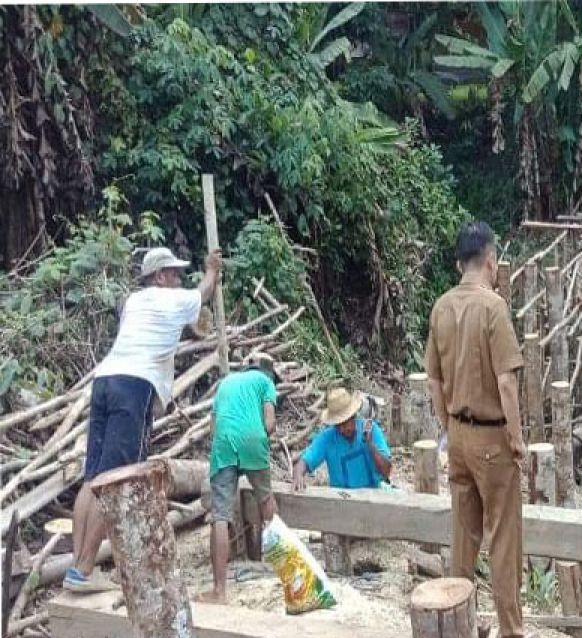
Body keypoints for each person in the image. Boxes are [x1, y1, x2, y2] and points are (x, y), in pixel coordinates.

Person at [65, 246, 221, 593]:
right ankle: (85, 569)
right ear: (160, 276)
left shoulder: (133, 302)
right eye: (175, 273)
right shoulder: (172, 299)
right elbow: (204, 293)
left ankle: (78, 566)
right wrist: (211, 268)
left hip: (105, 381)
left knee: (94, 477)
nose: (179, 279)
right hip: (133, 386)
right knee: (117, 482)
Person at [425, 220, 542, 638]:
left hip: (457, 433)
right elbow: (506, 383)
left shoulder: (439, 308)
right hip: (493, 435)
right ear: (491, 260)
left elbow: (434, 381)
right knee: (505, 539)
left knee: (463, 534)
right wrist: (516, 439)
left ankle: (458, 624)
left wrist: (449, 426)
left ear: (460, 264)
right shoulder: (493, 308)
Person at [198, 353, 279, 604]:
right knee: (266, 500)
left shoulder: (226, 383)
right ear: (269, 373)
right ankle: (283, 570)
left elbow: (212, 428)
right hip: (253, 440)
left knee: (219, 516)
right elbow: (269, 424)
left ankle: (219, 591)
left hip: (223, 445)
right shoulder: (266, 383)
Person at [291, 386, 392, 491]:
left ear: (353, 416)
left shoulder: (371, 429)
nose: (342, 429)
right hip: (341, 500)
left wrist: (370, 445)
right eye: (337, 425)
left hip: (373, 496)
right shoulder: (327, 438)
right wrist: (298, 475)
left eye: (345, 423)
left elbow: (386, 471)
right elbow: (304, 462)